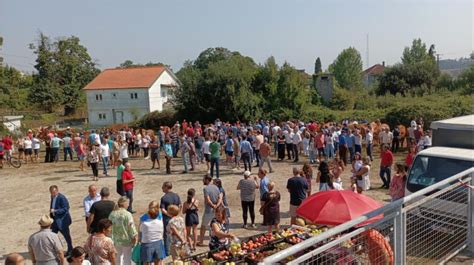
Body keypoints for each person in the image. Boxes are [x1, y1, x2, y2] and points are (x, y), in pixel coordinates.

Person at [108, 197, 138, 265]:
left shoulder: (112, 214)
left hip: (115, 240)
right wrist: (135, 236)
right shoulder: (127, 214)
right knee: (127, 258)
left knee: (118, 258)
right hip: (126, 240)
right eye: (127, 203)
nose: (128, 205)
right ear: (124, 204)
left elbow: (109, 227)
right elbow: (131, 227)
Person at [198, 174, 222, 247]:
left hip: (209, 210)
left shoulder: (206, 189)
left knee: (203, 226)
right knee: (216, 225)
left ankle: (201, 241)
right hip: (217, 209)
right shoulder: (216, 187)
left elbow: (207, 200)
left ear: (207, 180)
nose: (203, 180)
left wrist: (213, 206)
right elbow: (219, 198)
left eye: (204, 179)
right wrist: (216, 206)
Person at [49, 185, 73, 256]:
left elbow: (66, 208)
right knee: (52, 236)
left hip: (62, 221)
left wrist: (55, 211)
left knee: (67, 236)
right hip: (54, 221)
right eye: (51, 192)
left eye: (54, 192)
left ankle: (70, 250)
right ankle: (54, 251)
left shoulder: (62, 198)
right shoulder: (52, 197)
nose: (53, 194)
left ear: (57, 190)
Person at [160, 181, 182, 255]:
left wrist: (169, 215)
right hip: (176, 217)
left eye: (163, 186)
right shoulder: (176, 196)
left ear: (166, 187)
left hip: (167, 219)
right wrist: (177, 214)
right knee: (178, 231)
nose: (162, 188)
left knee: (167, 234)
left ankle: (168, 251)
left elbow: (163, 210)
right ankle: (178, 247)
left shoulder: (164, 198)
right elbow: (180, 206)